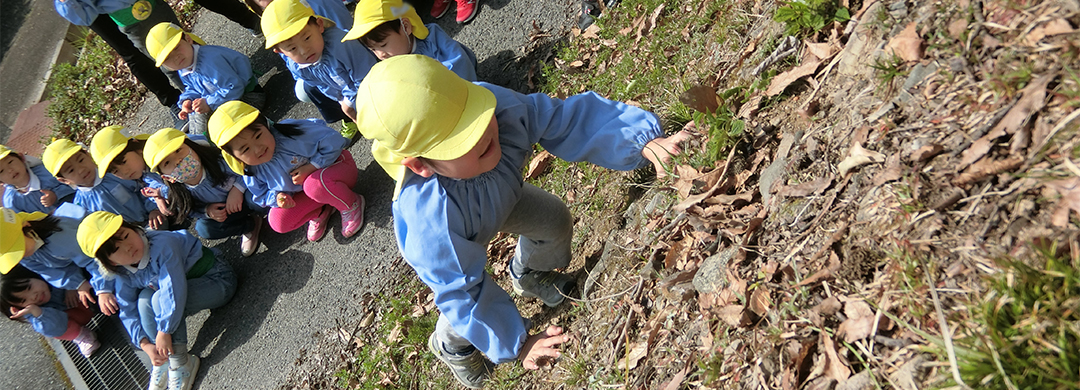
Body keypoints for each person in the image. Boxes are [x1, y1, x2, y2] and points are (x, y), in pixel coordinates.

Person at [353, 55, 690, 388]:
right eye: (461, 140)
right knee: (462, 308)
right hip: (458, 234)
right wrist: (519, 343)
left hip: (502, 197)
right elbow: (462, 293)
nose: (483, 133)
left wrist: (644, 141)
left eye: (477, 115)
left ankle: (528, 273)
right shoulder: (430, 224)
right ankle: (452, 347)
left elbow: (563, 119)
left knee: (554, 220)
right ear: (420, 165)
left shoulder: (498, 107)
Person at [77, 211, 236, 390]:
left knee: (160, 299)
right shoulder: (123, 272)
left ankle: (180, 361)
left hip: (218, 280)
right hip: (192, 288)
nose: (128, 247)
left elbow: (173, 290)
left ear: (134, 229)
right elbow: (127, 309)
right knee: (143, 300)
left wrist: (164, 330)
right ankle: (162, 359)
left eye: (126, 236)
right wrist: (144, 344)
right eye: (116, 249)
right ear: (110, 262)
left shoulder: (162, 245)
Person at [52, 0, 262, 117]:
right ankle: (197, 100)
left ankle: (223, 91)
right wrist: (188, 101)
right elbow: (82, 16)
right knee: (171, 57)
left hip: (140, 7)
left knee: (178, 46)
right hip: (127, 14)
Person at [208, 100, 365, 240]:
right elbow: (261, 194)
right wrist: (277, 197)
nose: (257, 149)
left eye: (258, 136)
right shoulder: (250, 170)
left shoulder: (291, 134)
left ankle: (351, 203)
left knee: (313, 185)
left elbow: (334, 140)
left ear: (266, 124)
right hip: (311, 191)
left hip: (338, 169)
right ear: (234, 157)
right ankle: (322, 210)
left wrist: (312, 166)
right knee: (278, 222)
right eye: (245, 149)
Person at [260, 0, 379, 139]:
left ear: (319, 25)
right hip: (353, 96)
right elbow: (323, 86)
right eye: (292, 48)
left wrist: (348, 102)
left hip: (376, 85)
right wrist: (342, 100)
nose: (304, 50)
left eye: (307, 38)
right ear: (281, 52)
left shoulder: (342, 44)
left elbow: (367, 75)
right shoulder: (298, 67)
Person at [143, 128, 265, 256]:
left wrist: (238, 189)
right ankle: (250, 226)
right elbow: (190, 210)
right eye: (167, 162)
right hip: (225, 212)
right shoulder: (177, 193)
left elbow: (245, 169)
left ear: (192, 147)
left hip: (244, 197)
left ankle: (268, 208)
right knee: (204, 229)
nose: (177, 160)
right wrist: (207, 211)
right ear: (167, 178)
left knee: (254, 197)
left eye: (178, 150)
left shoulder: (218, 161)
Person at [147, 23, 266, 137]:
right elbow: (192, 88)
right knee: (196, 110)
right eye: (167, 58)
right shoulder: (185, 66)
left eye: (176, 48)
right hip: (225, 99)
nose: (176, 57)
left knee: (206, 117)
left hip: (249, 96)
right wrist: (187, 100)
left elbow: (235, 87)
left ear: (188, 39)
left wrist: (209, 103)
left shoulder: (210, 62)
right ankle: (198, 137)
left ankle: (202, 141)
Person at [0, 207, 117, 317]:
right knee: (92, 299)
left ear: (26, 227)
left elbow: (94, 257)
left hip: (108, 250)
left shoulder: (58, 236)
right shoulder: (27, 254)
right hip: (90, 264)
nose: (19, 254)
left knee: (105, 298)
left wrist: (103, 289)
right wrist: (79, 283)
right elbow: (50, 272)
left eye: (18, 247)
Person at [41, 139, 167, 228]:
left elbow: (143, 185)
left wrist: (153, 209)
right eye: (71, 170)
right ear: (64, 180)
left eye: (81, 160)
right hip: (130, 237)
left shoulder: (114, 173)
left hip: (154, 215)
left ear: (88, 155)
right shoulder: (81, 205)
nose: (81, 169)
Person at [343, 0, 477, 81]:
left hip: (462, 87)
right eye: (373, 49)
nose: (381, 54)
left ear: (406, 27)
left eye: (383, 45)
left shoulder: (432, 39)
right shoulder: (392, 62)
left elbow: (459, 63)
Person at [1, 264, 100, 358]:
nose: (34, 296)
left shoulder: (48, 271)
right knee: (47, 326)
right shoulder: (33, 312)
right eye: (24, 300)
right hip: (77, 315)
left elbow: (67, 264)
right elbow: (54, 328)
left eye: (29, 287)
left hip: (86, 292)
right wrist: (37, 312)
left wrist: (71, 284)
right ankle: (81, 335)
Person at [89, 126, 172, 223]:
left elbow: (184, 182)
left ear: (135, 145)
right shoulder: (141, 174)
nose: (125, 171)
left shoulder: (166, 157)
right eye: (115, 171)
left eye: (124, 162)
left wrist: (161, 192)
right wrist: (154, 204)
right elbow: (147, 190)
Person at [0, 144, 76, 213]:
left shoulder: (46, 172)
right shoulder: (11, 201)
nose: (10, 170)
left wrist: (56, 195)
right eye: (1, 171)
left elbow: (74, 184)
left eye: (10, 162)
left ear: (22, 158)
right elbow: (21, 220)